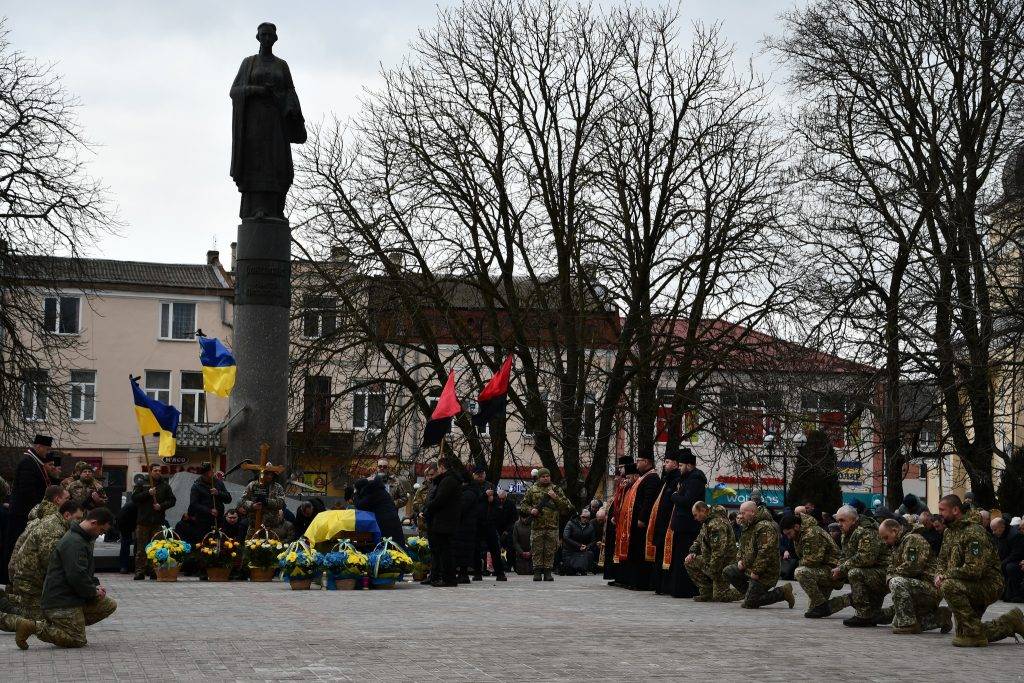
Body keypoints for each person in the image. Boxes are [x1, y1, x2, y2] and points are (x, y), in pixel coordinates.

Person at [14, 507, 116, 649]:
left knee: (108, 604)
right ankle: (33, 627)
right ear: (94, 523)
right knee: (77, 640)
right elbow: (76, 576)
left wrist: (95, 586)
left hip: (71, 596)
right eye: (101, 530)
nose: (101, 534)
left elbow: (84, 572)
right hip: (60, 600)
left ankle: (70, 623)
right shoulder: (74, 542)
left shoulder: (82, 539)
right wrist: (92, 592)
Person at [935, 494, 1024, 646]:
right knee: (965, 632)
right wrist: (938, 574)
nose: (940, 514)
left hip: (988, 584)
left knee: (948, 586)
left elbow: (974, 569)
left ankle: (976, 634)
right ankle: (1010, 621)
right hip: (966, 583)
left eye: (942, 510)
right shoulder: (949, 532)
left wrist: (945, 576)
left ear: (955, 510)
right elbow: (942, 559)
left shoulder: (974, 532)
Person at [0, 500, 85, 632]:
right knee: (36, 621)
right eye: (78, 518)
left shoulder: (58, 524)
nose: (80, 522)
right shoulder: (53, 529)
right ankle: (8, 606)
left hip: (32, 580)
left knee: (40, 617)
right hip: (30, 582)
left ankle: (6, 599)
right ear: (67, 515)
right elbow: (51, 565)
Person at [876, 518, 952, 635]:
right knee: (895, 622)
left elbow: (912, 567)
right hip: (916, 586)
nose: (885, 542)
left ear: (894, 531)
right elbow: (890, 568)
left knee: (896, 582)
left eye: (886, 537)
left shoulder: (912, 539)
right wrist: (890, 576)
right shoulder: (897, 545)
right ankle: (940, 617)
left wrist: (891, 577)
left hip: (930, 587)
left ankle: (908, 625)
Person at [2, 437, 59, 584]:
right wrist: (41, 509)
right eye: (47, 449)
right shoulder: (28, 463)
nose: (48, 452)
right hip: (22, 514)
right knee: (16, 546)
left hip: (26, 512)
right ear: (38, 446)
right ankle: (10, 577)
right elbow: (28, 492)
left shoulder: (35, 462)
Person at [722, 501, 795, 609]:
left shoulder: (764, 527)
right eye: (740, 513)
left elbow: (765, 552)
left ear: (752, 512)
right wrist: (740, 561)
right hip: (750, 566)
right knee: (728, 571)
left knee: (750, 603)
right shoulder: (748, 525)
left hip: (766, 571)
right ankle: (750, 594)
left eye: (742, 513)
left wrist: (756, 571)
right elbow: (742, 547)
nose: (740, 516)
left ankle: (782, 592)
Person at [832, 504, 890, 627]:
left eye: (842, 520)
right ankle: (870, 613)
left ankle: (863, 614)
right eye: (837, 521)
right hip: (872, 572)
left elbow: (866, 558)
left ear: (854, 520)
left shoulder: (866, 531)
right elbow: (845, 555)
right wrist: (838, 568)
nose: (839, 524)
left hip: (884, 572)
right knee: (849, 571)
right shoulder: (847, 532)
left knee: (855, 573)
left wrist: (841, 569)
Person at [661, 449, 707, 598]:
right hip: (682, 525)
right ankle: (677, 588)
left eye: (681, 465)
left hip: (688, 526)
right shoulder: (687, 478)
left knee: (685, 558)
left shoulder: (695, 480)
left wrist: (674, 496)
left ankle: (684, 589)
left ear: (689, 465)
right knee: (679, 558)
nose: (679, 468)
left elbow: (688, 501)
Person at [613, 453, 661, 589]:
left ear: (647, 462)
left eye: (639, 461)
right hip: (634, 522)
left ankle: (641, 582)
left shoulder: (651, 478)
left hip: (641, 522)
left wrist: (642, 518)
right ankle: (634, 581)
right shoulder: (644, 478)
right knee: (635, 551)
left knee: (640, 552)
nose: (637, 464)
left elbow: (648, 500)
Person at [782, 513, 844, 618]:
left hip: (833, 572)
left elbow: (813, 560)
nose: (788, 537)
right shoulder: (800, 534)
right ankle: (841, 602)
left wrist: (798, 565)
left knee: (800, 572)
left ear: (796, 527)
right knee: (813, 611)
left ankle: (822, 604)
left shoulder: (811, 533)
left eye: (789, 533)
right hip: (821, 569)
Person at [518, 468, 572, 581]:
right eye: (543, 476)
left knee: (550, 550)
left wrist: (555, 498)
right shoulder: (532, 490)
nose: (546, 478)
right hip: (537, 526)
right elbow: (523, 504)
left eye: (547, 476)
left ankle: (548, 572)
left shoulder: (556, 489)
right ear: (539, 477)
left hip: (552, 526)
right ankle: (537, 572)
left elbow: (567, 506)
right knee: (537, 549)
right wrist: (531, 510)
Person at [685, 502, 740, 602]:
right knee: (690, 561)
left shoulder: (716, 524)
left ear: (703, 510)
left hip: (723, 564)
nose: (695, 518)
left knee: (720, 596)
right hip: (711, 561)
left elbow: (719, 551)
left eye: (696, 515)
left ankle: (746, 591)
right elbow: (699, 539)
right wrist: (693, 551)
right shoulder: (707, 522)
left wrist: (713, 572)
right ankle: (707, 592)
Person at [130, 468, 176, 580]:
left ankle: (154, 570)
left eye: (159, 470)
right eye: (155, 470)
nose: (158, 472)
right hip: (143, 521)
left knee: (156, 547)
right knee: (141, 548)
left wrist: (161, 506)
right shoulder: (142, 483)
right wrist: (148, 493)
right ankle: (139, 571)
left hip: (157, 521)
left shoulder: (165, 486)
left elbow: (172, 500)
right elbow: (134, 498)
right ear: (150, 472)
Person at [424, 457, 462, 587]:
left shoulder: (448, 480)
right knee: (443, 550)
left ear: (442, 467)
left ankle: (448, 578)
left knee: (445, 551)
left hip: (444, 521)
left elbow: (440, 500)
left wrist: (429, 504)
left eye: (438, 468)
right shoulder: (449, 480)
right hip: (446, 521)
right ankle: (446, 577)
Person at [648, 450, 682, 593]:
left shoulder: (676, 480)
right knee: (660, 555)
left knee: (665, 557)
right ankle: (658, 585)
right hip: (661, 524)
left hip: (668, 524)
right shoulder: (667, 479)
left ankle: (664, 585)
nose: (664, 464)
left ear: (675, 463)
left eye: (667, 462)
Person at [603, 457, 636, 585]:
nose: (620, 471)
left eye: (621, 467)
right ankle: (616, 576)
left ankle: (621, 577)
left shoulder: (628, 482)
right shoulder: (622, 483)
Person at [472, 469, 506, 581]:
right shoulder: (471, 486)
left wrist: (493, 500)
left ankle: (499, 573)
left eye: (482, 474)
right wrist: (484, 495)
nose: (480, 476)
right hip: (476, 522)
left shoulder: (490, 485)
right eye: (478, 474)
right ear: (474, 475)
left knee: (495, 548)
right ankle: (477, 573)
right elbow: (471, 500)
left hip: (489, 522)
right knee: (476, 549)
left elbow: (498, 503)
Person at [353, 475, 405, 546]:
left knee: (389, 547)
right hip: (392, 523)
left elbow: (360, 505)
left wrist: (355, 493)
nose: (370, 477)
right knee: (395, 545)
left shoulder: (373, 492)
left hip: (386, 526)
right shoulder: (380, 489)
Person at [240, 469, 291, 540]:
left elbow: (281, 503)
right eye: (267, 474)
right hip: (254, 526)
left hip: (271, 528)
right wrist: (252, 505)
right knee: (250, 548)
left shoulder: (277, 487)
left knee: (270, 549)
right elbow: (243, 501)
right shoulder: (252, 485)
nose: (269, 476)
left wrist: (267, 502)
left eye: (271, 475)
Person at [189, 462, 232, 538]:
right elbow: (194, 504)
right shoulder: (196, 486)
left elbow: (228, 499)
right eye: (211, 471)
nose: (213, 472)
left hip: (218, 520)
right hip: (203, 522)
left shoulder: (219, 483)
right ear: (205, 474)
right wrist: (209, 510)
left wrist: (218, 493)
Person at [452, 470, 479, 583]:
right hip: (466, 527)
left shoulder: (467, 494)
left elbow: (460, 509)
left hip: (464, 528)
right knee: (462, 551)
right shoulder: (470, 492)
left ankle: (463, 575)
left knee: (462, 551)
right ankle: (463, 574)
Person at [991, 516, 1024, 602]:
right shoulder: (998, 535)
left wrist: (1002, 563)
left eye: (995, 529)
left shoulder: (1015, 535)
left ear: (1002, 527)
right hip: (1006, 560)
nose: (993, 532)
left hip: (1016, 561)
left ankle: (1016, 594)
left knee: (1009, 567)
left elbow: (1016, 554)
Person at [562, 510, 596, 575]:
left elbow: (593, 540)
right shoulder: (571, 523)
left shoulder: (590, 527)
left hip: (583, 549)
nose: (585, 519)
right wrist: (579, 546)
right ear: (580, 516)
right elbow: (566, 537)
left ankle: (582, 569)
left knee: (589, 554)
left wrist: (587, 547)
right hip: (570, 549)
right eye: (583, 517)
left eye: (587, 518)